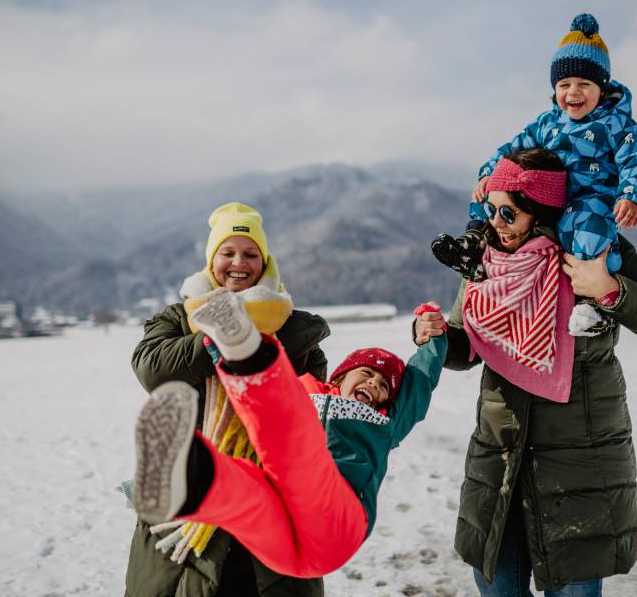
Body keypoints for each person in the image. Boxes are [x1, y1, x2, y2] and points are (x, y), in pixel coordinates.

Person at [415, 149, 637, 596]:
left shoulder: (592, 247)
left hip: (579, 465)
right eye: (490, 208)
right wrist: (436, 335)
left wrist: (609, 289)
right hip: (500, 460)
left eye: (508, 212)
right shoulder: (485, 261)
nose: (495, 222)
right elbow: (469, 347)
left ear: (539, 212)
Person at [131, 291, 449, 578]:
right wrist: (219, 359)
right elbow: (257, 413)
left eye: (383, 387)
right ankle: (189, 473)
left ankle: (246, 353)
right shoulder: (309, 390)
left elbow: (420, 379)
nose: (374, 386)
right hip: (281, 525)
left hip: (336, 524)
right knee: (244, 496)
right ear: (340, 377)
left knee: (295, 445)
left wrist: (432, 339)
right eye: (367, 374)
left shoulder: (385, 420)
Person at [125, 202, 331, 597]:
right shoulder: (179, 318)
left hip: (269, 505)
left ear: (264, 261)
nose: (239, 262)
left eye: (251, 254)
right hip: (187, 502)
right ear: (211, 259)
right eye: (228, 252)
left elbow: (308, 409)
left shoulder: (295, 331)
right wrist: (226, 333)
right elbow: (151, 368)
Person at [432, 13, 637, 334]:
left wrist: (631, 195)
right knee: (495, 202)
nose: (573, 92)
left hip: (587, 200)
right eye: (564, 85)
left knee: (587, 231)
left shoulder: (615, 124)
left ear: (602, 88)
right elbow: (512, 148)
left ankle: (591, 306)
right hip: (544, 196)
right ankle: (472, 246)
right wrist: (488, 174)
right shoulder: (547, 122)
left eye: (584, 84)